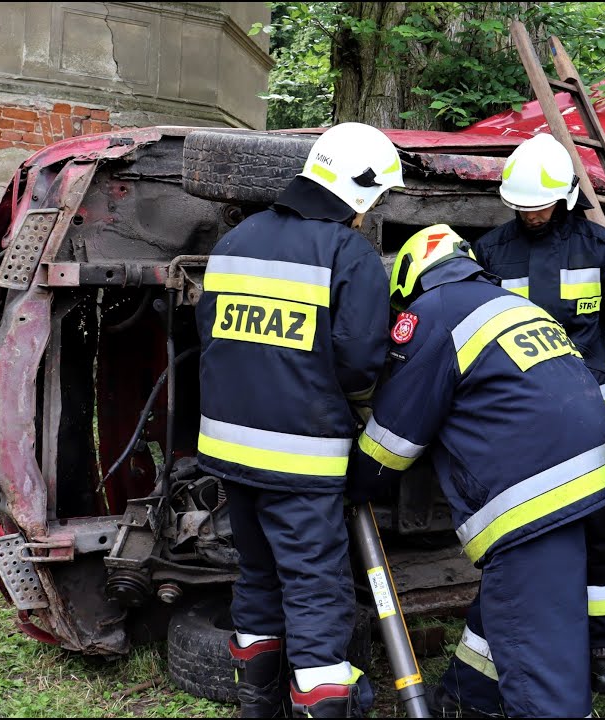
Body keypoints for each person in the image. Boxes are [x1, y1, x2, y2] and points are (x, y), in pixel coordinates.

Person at [353, 224, 605, 718]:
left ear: (410, 280)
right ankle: (466, 696)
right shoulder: (514, 305)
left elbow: (395, 439)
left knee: (535, 644)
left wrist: (355, 482)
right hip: (586, 480)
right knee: (510, 605)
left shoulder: (432, 312)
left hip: (533, 497)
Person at [195, 122, 403, 717]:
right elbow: (361, 362)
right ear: (360, 192)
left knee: (257, 576)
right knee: (315, 590)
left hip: (230, 451)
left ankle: (257, 706)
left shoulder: (236, 242)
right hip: (301, 460)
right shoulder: (348, 253)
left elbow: (210, 336)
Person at [468, 132, 605, 696]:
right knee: (521, 531)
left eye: (540, 205)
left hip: (585, 413)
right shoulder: (492, 250)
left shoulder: (599, 247)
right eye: (522, 208)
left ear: (566, 196)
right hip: (515, 419)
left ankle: (603, 646)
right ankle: (520, 641)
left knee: (597, 533)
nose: (532, 215)